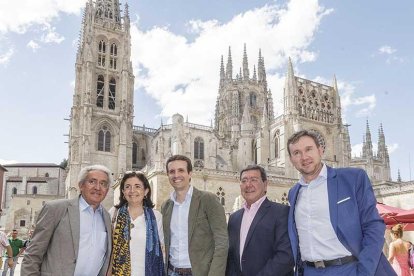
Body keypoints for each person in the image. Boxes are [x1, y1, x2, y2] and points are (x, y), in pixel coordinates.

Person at [286, 130, 396, 276]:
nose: (304, 157)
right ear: (291, 159)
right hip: (309, 271)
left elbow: (374, 226)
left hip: (348, 268)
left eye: (308, 149)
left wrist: (364, 271)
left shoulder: (353, 178)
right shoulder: (294, 192)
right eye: (297, 153)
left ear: (320, 150)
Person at [22, 164, 113, 276]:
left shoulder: (107, 218)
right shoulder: (55, 209)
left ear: (107, 190)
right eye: (92, 182)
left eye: (103, 184)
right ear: (81, 185)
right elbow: (33, 254)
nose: (97, 187)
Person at [161, 154, 228, 276]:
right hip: (171, 272)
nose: (176, 175)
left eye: (181, 170)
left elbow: (222, 242)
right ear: (168, 175)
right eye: (172, 171)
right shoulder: (166, 206)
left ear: (190, 173)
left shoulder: (208, 199)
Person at [226, 165, 294, 276]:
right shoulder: (234, 218)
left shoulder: (282, 212)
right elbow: (232, 257)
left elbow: (286, 256)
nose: (248, 185)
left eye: (254, 180)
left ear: (265, 184)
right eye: (244, 181)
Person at [108, 171, 164, 275]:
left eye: (137, 186)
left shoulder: (156, 217)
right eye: (128, 187)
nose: (132, 190)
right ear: (123, 191)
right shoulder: (113, 213)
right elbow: (108, 248)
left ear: (146, 191)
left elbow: (162, 249)